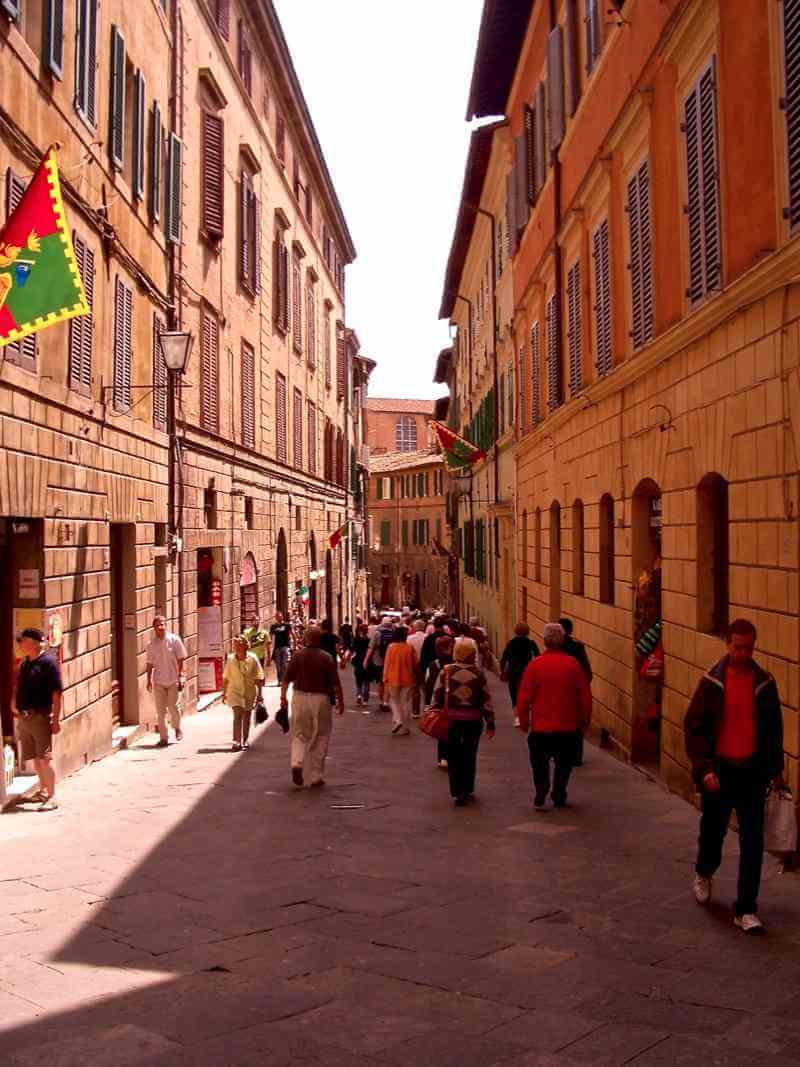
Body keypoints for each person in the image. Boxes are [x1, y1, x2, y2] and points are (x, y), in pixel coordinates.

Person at [684, 618, 785, 934]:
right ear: (728, 644)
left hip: (752, 773)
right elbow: (694, 726)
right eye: (738, 647)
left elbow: (773, 731)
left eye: (749, 648)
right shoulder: (711, 682)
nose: (743, 653)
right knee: (713, 831)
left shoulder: (764, 683)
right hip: (720, 771)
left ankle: (745, 909)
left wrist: (775, 771)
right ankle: (704, 871)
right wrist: (705, 769)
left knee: (752, 842)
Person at [516, 622, 592, 811]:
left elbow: (524, 697)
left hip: (541, 727)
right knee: (564, 763)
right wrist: (584, 720)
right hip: (567, 726)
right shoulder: (573, 665)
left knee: (539, 763)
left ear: (544, 641)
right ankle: (559, 792)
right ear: (563, 640)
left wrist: (524, 721)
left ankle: (541, 790)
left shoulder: (535, 666)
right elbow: (585, 695)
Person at [430, 639, 495, 806]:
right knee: (469, 754)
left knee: (453, 754)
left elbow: (437, 694)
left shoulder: (446, 671)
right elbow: (486, 699)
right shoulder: (478, 673)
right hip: (473, 720)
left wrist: (433, 711)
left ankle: (456, 790)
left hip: (451, 720)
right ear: (472, 654)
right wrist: (490, 721)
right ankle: (467, 788)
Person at [280, 625, 344, 789]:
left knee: (299, 734)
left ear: (305, 639)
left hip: (299, 697)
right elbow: (335, 684)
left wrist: (283, 698)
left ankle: (296, 763)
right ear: (319, 640)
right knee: (321, 735)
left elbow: (286, 679)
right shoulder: (327, 657)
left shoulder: (297, 656)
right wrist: (341, 702)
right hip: (321, 699)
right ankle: (316, 776)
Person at [12, 628, 62, 811]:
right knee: (34, 758)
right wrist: (13, 703)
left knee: (44, 758)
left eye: (22, 641)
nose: (20, 644)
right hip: (24, 718)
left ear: (33, 642)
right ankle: (42, 791)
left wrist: (56, 720)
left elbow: (57, 693)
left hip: (40, 717)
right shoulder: (25, 663)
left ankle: (52, 796)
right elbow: (18, 686)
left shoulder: (48, 663)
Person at [146, 615, 187, 747]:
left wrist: (181, 676)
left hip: (173, 679)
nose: (160, 627)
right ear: (154, 628)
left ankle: (177, 728)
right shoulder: (152, 645)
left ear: (165, 625)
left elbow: (181, 659)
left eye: (162, 624)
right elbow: (149, 664)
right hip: (158, 681)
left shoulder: (175, 640)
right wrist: (148, 680)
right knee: (160, 711)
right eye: (157, 625)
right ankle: (164, 738)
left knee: (173, 707)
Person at [559, 617, 593, 766]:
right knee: (576, 726)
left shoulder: (555, 649)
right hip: (575, 692)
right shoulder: (577, 647)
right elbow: (587, 672)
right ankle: (576, 756)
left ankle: (561, 754)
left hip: (559, 693)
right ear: (570, 630)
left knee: (560, 724)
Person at [222, 635, 264, 751]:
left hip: (249, 691)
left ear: (246, 645)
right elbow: (226, 677)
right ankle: (236, 741)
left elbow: (259, 677)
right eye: (235, 645)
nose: (237, 647)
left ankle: (245, 740)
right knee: (237, 715)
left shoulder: (253, 658)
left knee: (246, 716)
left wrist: (260, 694)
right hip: (234, 691)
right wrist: (224, 692)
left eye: (239, 644)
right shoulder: (230, 659)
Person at [424, 634, 454, 769]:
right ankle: (449, 756)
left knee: (443, 731)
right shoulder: (456, 663)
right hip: (454, 701)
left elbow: (428, 684)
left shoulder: (433, 664)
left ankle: (443, 758)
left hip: (441, 702)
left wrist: (428, 704)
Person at [382, 626, 416, 736]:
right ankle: (406, 727)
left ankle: (398, 720)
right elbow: (415, 663)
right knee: (405, 702)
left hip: (393, 677)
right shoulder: (410, 648)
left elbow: (387, 663)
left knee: (394, 701)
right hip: (408, 678)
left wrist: (385, 677)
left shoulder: (391, 647)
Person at [500, 623, 540, 711]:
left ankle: (517, 716)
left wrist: (503, 670)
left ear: (515, 631)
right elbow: (538, 657)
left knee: (514, 695)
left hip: (513, 673)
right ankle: (525, 712)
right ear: (528, 632)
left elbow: (504, 658)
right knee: (526, 694)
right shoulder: (531, 643)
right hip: (526, 672)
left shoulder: (511, 643)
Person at [364, 615, 395, 712]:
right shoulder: (394, 633)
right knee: (388, 682)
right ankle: (387, 701)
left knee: (380, 682)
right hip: (391, 661)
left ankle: (381, 701)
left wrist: (366, 660)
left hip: (378, 661)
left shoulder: (377, 633)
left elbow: (371, 647)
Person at [407, 619, 427, 718]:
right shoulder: (427, 637)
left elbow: (408, 653)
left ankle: (415, 711)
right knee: (426, 687)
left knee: (415, 688)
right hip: (425, 665)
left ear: (415, 628)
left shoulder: (410, 638)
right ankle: (428, 708)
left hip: (413, 666)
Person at [351, 623, 372, 705]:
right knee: (367, 680)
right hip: (367, 661)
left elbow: (352, 650)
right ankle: (365, 700)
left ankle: (359, 695)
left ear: (359, 631)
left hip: (358, 660)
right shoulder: (369, 640)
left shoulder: (356, 640)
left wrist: (345, 659)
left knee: (358, 679)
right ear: (367, 632)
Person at [270, 611, 293, 684]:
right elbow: (271, 638)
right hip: (277, 648)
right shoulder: (273, 626)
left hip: (285, 646)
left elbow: (292, 634)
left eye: (280, 617)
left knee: (284, 664)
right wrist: (271, 649)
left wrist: (294, 645)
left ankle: (283, 680)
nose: (279, 618)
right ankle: (279, 680)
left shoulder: (287, 625)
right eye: (277, 617)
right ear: (275, 618)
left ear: (282, 617)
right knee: (278, 666)